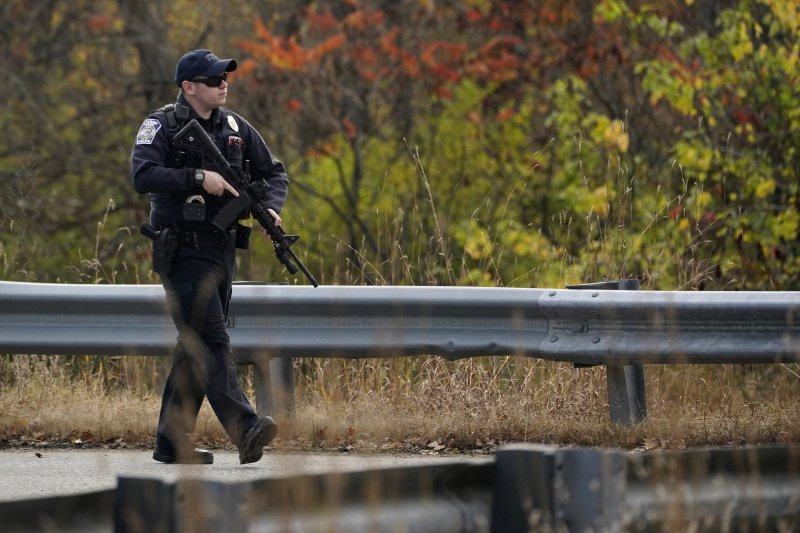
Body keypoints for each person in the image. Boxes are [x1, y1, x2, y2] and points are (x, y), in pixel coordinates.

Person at [131, 49, 288, 464]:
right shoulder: (160, 124)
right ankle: (246, 427)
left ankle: (170, 443)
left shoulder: (236, 127)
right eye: (214, 78)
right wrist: (199, 178)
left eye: (224, 77)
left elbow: (274, 172)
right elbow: (142, 174)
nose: (224, 83)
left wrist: (271, 206)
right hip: (182, 253)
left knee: (194, 346)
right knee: (213, 341)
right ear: (188, 87)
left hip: (221, 252)